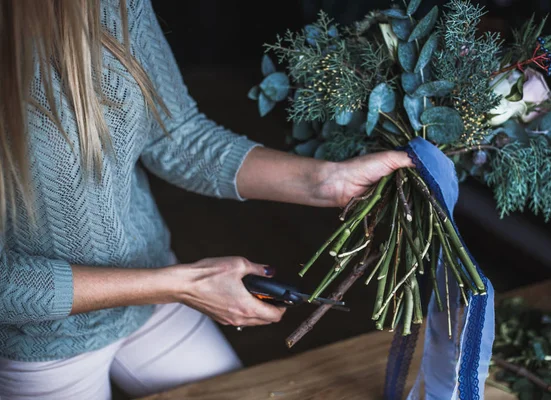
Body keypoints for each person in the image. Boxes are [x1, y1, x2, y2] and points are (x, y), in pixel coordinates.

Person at [0, 0, 413, 398]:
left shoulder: (117, 6)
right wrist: (188, 285)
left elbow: (176, 135)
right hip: (41, 338)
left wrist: (328, 182)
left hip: (152, 292)